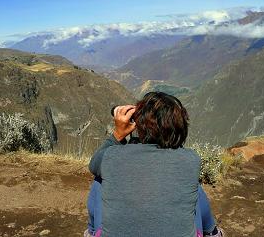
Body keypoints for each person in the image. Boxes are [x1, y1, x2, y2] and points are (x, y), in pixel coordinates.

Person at [87, 92, 223, 237]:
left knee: (99, 180)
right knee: (193, 187)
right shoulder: (190, 159)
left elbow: (93, 165)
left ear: (139, 124)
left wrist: (118, 134)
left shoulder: (111, 157)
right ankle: (212, 232)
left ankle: (91, 232)